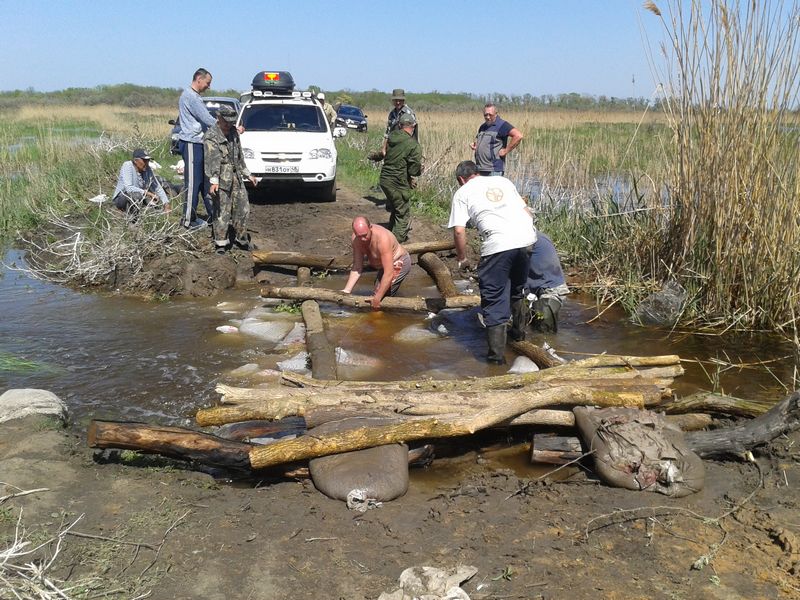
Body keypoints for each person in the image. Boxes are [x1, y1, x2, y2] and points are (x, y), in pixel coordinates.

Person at [448, 160, 537, 364]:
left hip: (498, 245)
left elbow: (459, 230)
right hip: (526, 241)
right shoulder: (503, 181)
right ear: (477, 173)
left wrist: (462, 258)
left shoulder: (462, 193)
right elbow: (527, 212)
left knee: (494, 299)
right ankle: (519, 335)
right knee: (517, 289)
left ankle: (496, 359)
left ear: (461, 179)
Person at [204, 106, 257, 255]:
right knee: (222, 211)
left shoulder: (234, 133)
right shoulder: (211, 136)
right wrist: (214, 181)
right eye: (226, 121)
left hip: (236, 177)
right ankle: (221, 243)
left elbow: (239, 157)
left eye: (231, 122)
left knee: (243, 208)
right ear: (218, 118)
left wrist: (248, 175)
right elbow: (211, 161)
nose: (228, 125)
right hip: (221, 179)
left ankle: (241, 239)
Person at [342, 216, 411, 310]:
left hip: (399, 261)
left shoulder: (383, 239)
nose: (363, 239)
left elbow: (389, 273)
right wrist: (346, 291)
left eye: (365, 235)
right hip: (384, 266)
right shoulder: (356, 239)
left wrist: (377, 298)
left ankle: (385, 321)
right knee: (377, 293)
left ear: (370, 228)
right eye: (359, 236)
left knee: (379, 300)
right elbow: (357, 267)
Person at [177, 68, 217, 229]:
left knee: (203, 184)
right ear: (199, 79)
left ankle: (211, 217)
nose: (208, 86)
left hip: (199, 144)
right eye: (207, 83)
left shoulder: (194, 96)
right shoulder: (191, 97)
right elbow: (207, 119)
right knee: (193, 184)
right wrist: (228, 127)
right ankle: (187, 221)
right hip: (192, 143)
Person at [379, 112, 422, 243]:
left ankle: (390, 234)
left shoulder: (391, 137)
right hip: (397, 182)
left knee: (396, 208)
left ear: (399, 125)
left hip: (385, 180)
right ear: (413, 126)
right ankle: (395, 243)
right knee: (403, 212)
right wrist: (420, 169)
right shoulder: (413, 145)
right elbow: (414, 170)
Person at [526, 232, 570, 333]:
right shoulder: (529, 234)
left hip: (550, 288)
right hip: (533, 287)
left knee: (544, 323)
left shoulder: (529, 237)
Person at [112, 149, 170, 217]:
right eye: (144, 160)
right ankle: (132, 219)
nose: (147, 163)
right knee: (137, 195)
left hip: (139, 197)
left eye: (148, 160)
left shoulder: (147, 169)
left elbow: (157, 187)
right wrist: (148, 193)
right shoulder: (127, 165)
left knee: (155, 208)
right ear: (135, 160)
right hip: (122, 198)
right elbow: (128, 188)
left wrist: (166, 204)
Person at [470, 102, 523, 176]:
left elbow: (518, 136)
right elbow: (479, 140)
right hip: (480, 168)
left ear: (496, 114)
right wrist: (474, 145)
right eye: (485, 115)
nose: (488, 117)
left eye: (490, 115)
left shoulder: (502, 125)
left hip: (494, 170)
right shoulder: (483, 126)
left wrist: (506, 150)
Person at [381, 88, 417, 155]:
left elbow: (413, 132)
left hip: (406, 147)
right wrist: (384, 148)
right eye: (396, 100)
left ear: (403, 100)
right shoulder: (392, 114)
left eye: (400, 100)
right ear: (393, 101)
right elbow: (388, 132)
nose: (398, 102)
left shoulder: (409, 113)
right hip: (393, 147)